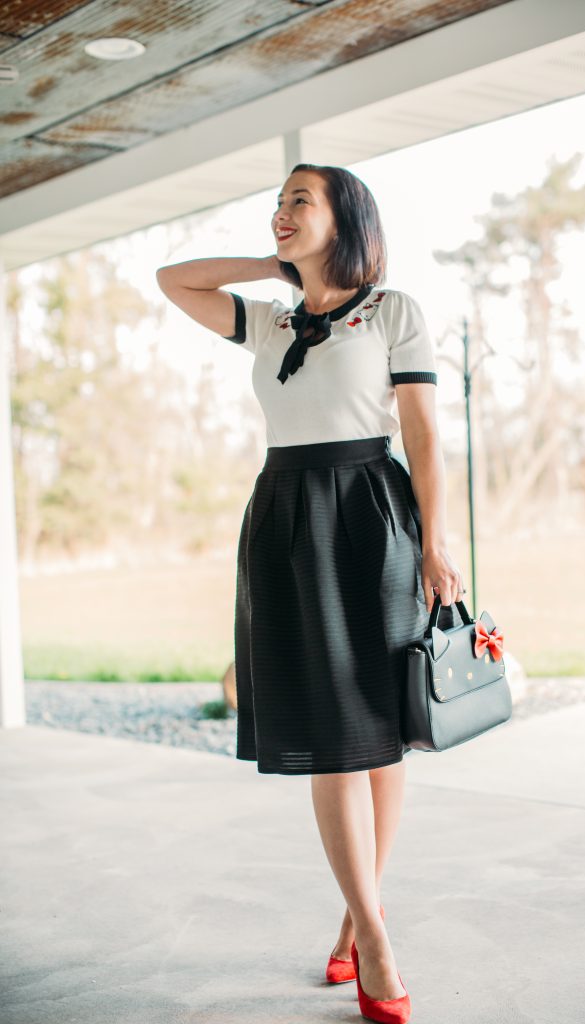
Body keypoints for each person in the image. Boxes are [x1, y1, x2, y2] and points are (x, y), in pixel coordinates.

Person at [156, 163, 466, 1024]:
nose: (283, 211)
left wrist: (437, 546)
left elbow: (425, 435)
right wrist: (277, 262)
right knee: (332, 733)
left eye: (301, 200)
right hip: (288, 521)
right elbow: (170, 279)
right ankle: (374, 934)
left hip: (374, 514)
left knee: (377, 732)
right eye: (279, 201)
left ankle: (353, 920)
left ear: (346, 217)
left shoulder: (391, 310)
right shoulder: (270, 321)